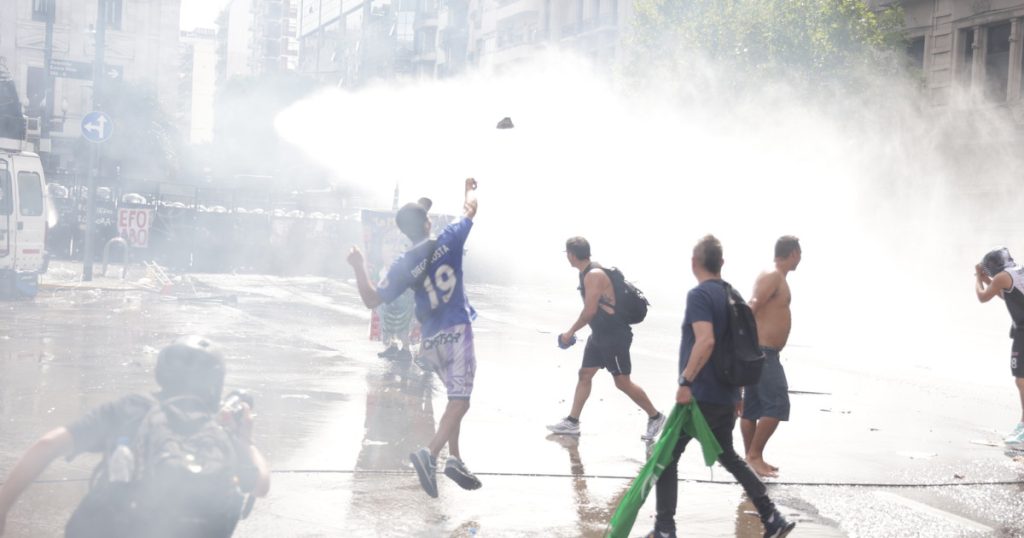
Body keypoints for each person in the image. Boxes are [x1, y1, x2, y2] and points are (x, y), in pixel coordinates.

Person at [0, 336, 271, 538]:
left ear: (163, 371)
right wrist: (245, 437)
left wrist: (3, 507)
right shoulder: (219, 432)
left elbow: (47, 445)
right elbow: (261, 485)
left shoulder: (132, 409)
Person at [648, 235, 795, 538]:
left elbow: (706, 341)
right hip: (725, 395)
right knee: (728, 456)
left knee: (666, 456)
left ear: (694, 263)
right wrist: (737, 391)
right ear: (722, 263)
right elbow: (739, 346)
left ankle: (665, 528)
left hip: (700, 394)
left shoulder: (700, 295)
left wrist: (685, 381)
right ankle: (772, 517)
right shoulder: (733, 294)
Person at [347, 178, 482, 498]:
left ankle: (455, 458)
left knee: (454, 398)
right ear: (427, 223)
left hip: (430, 340)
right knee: (461, 401)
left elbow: (371, 299)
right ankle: (430, 454)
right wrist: (469, 188)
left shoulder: (403, 264)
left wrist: (359, 266)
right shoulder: (450, 238)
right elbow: (470, 208)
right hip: (457, 330)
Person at [547, 236, 665, 441]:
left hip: (614, 336)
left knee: (622, 382)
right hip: (600, 334)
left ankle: (656, 417)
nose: (567, 257)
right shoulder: (587, 272)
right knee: (585, 374)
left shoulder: (593, 275)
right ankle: (572, 422)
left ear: (572, 255)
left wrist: (570, 332)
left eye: (567, 253)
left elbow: (589, 311)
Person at [741, 235, 801, 478]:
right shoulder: (773, 276)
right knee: (777, 404)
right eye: (800, 254)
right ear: (793, 253)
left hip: (760, 351)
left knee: (751, 408)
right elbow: (752, 305)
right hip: (763, 354)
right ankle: (754, 455)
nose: (801, 259)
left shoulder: (776, 277)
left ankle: (751, 457)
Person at [975, 247, 1024, 449]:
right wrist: (988, 280)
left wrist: (978, 279)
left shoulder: (1001, 277)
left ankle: (1023, 426)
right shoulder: (1017, 271)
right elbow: (1008, 295)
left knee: (1021, 379)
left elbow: (983, 297)